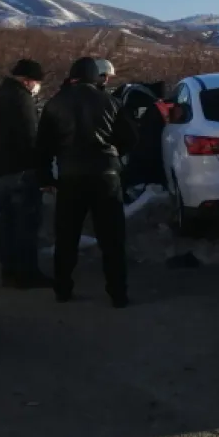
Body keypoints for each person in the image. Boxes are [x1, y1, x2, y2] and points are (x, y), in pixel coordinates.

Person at [37, 57, 139, 307]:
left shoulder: (54, 104)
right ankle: (118, 293)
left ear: (72, 76)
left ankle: (62, 288)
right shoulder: (111, 102)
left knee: (67, 236)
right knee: (112, 238)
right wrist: (114, 152)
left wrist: (46, 177)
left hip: (70, 176)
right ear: (96, 77)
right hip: (105, 175)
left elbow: (42, 147)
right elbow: (131, 138)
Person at [0, 59, 52, 289]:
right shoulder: (21, 99)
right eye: (36, 82)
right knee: (26, 224)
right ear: (28, 80)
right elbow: (31, 137)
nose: (37, 87)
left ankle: (9, 271)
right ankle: (27, 274)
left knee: (7, 222)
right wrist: (42, 170)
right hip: (19, 170)